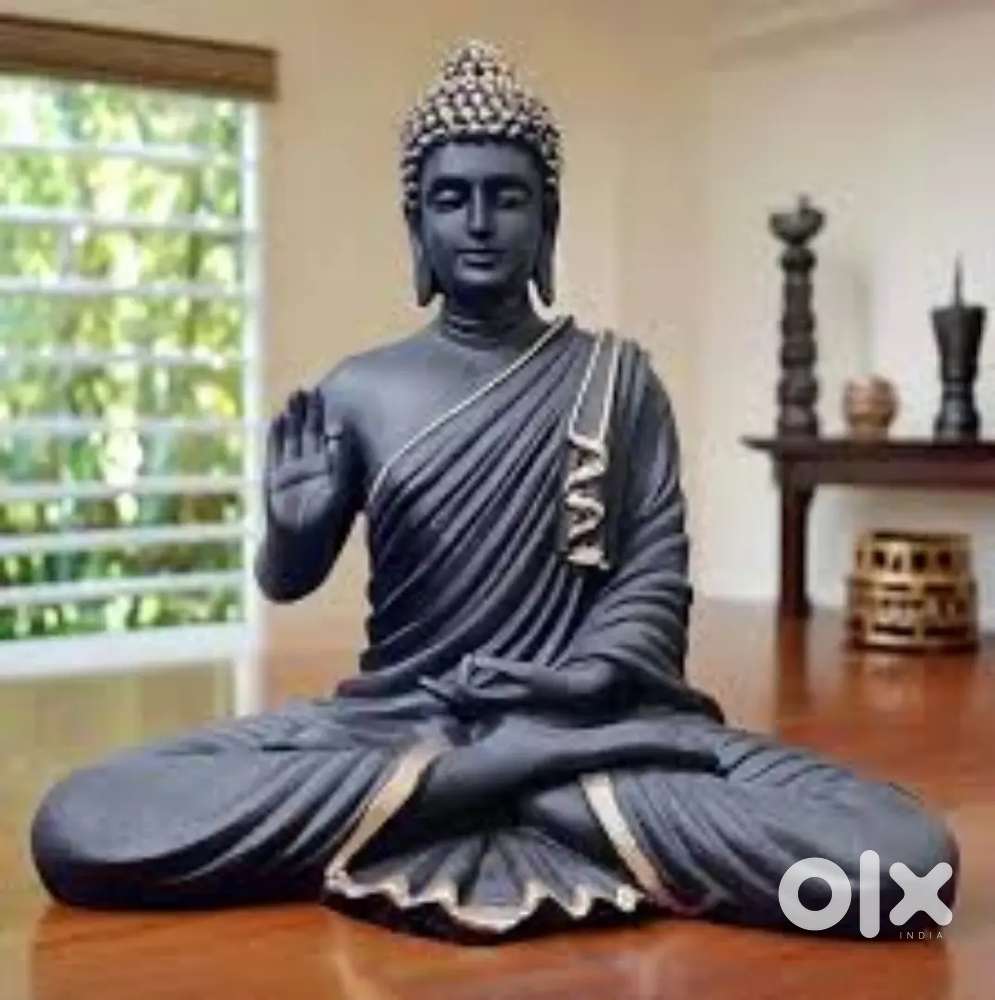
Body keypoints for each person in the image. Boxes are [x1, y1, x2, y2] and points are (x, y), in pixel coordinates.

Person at [31, 41, 958, 940]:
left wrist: (587, 680)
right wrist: (291, 534)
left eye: (507, 197)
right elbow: (287, 581)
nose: (478, 222)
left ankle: (482, 787)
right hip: (399, 724)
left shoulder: (618, 380)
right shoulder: (360, 389)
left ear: (547, 221)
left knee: (907, 873)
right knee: (82, 823)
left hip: (595, 724)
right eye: (451, 198)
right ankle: (515, 783)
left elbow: (649, 580)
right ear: (416, 225)